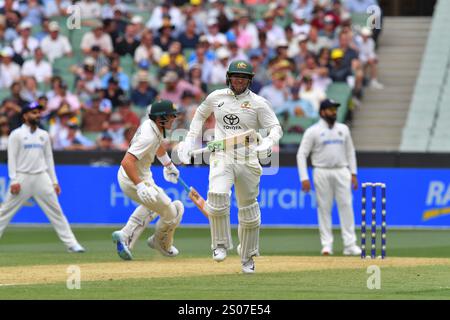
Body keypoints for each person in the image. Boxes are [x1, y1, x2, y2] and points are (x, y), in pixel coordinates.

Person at [177, 60, 283, 273]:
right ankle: (219, 244)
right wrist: (189, 141)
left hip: (248, 159)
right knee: (216, 197)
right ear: (228, 77)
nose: (238, 81)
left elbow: (275, 128)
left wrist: (267, 143)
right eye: (235, 76)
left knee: (249, 211)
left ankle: (248, 257)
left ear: (249, 80)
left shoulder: (259, 103)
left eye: (243, 78)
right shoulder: (216, 97)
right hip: (221, 156)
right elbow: (199, 116)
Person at [0, 101, 85, 253]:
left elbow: (49, 159)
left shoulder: (44, 135)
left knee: (56, 212)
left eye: (38, 112)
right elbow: (11, 159)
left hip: (41, 177)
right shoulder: (16, 134)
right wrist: (14, 179)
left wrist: (54, 181)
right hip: (22, 177)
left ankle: (72, 244)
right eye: (33, 113)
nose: (37, 115)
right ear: (25, 116)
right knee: (4, 212)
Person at [112, 100, 184, 260]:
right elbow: (126, 161)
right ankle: (160, 242)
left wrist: (168, 165)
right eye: (171, 116)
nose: (174, 119)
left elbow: (157, 145)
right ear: (161, 118)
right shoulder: (148, 135)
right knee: (172, 211)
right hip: (133, 178)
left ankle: (125, 236)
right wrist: (140, 186)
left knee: (154, 206)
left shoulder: (153, 126)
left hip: (138, 176)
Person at [296, 99, 361, 256]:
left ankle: (350, 244)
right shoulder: (313, 131)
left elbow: (350, 151)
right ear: (322, 112)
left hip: (341, 170)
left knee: (346, 206)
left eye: (335, 109)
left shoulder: (343, 129)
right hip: (321, 171)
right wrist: (304, 178)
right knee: (324, 208)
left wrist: (353, 173)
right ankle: (326, 245)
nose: (334, 112)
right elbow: (302, 154)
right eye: (330, 109)